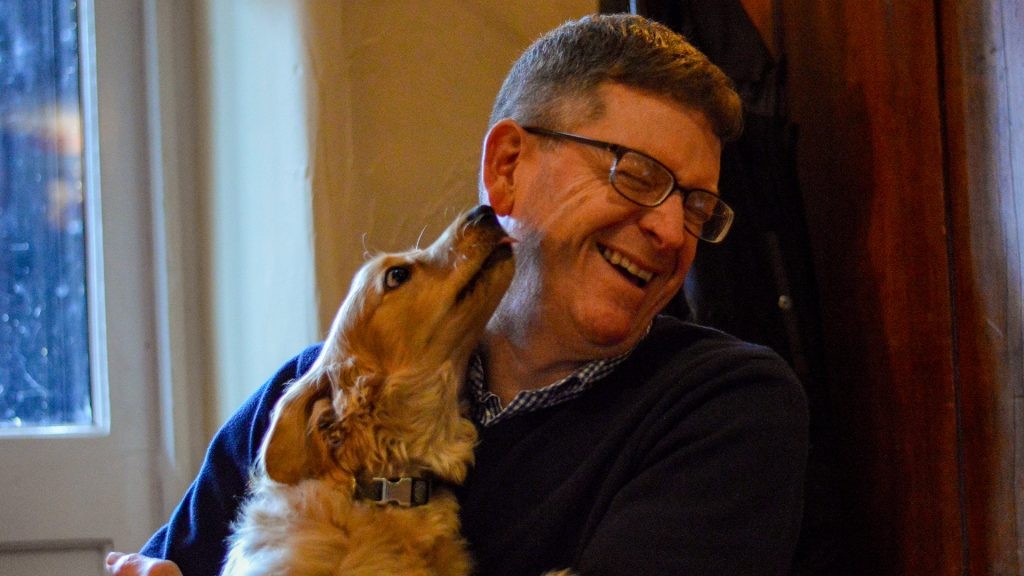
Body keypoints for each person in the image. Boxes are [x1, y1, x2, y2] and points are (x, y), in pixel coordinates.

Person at [107, 13, 808, 576]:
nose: (671, 231)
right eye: (638, 175)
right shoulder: (317, 401)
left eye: (696, 206)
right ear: (507, 167)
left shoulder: (725, 405)